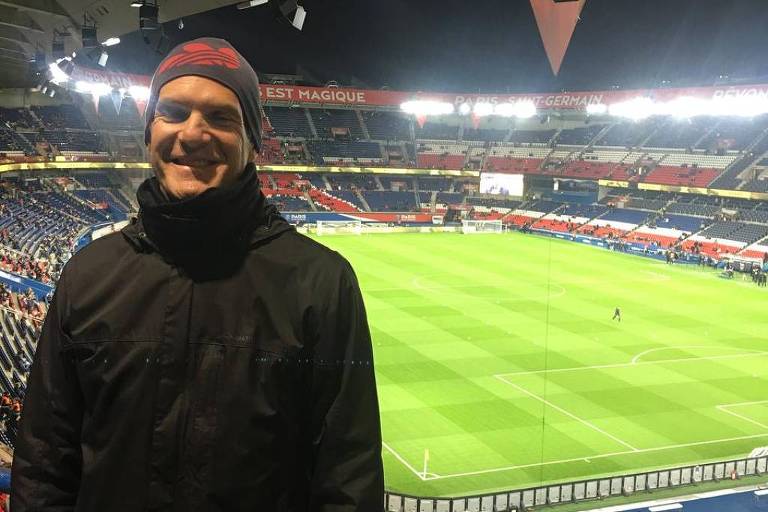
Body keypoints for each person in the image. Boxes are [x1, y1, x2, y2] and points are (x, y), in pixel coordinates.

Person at [11, 37, 384, 512]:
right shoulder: (87, 275)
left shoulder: (322, 284)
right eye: (173, 112)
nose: (192, 133)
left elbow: (347, 478)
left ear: (254, 142)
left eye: (221, 117)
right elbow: (44, 465)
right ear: (148, 132)